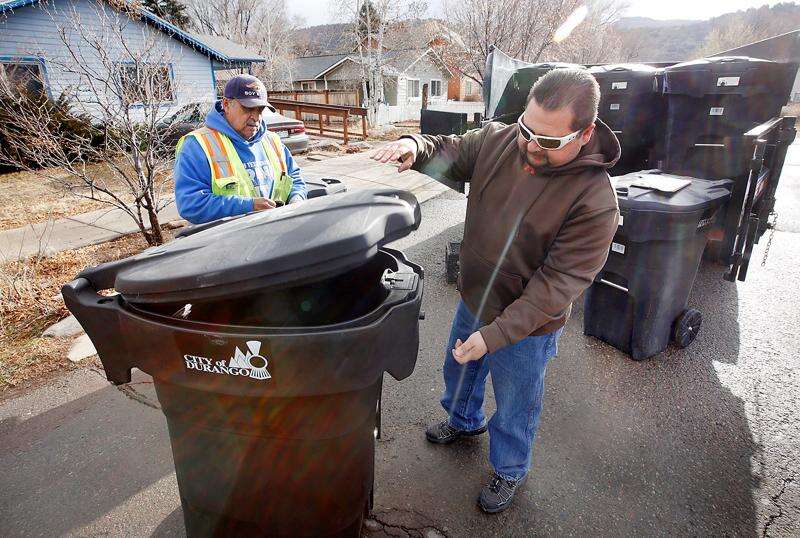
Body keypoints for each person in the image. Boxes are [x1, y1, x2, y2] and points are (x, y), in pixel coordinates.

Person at [371, 68, 620, 513]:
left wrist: (496, 335)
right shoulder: (502, 140)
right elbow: (451, 149)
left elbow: (556, 287)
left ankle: (510, 468)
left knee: (516, 400)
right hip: (476, 297)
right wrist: (414, 146)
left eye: (547, 141)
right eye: (527, 129)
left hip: (528, 324)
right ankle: (463, 421)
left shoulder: (595, 202)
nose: (528, 146)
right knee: (461, 370)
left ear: (584, 134)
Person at [174, 74, 306, 224]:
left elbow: (294, 177)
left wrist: (297, 198)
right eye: (248, 108)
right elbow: (191, 205)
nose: (255, 117)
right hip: (225, 242)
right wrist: (248, 206)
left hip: (273, 235)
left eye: (260, 110)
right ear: (226, 104)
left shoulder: (272, 141)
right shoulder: (197, 145)